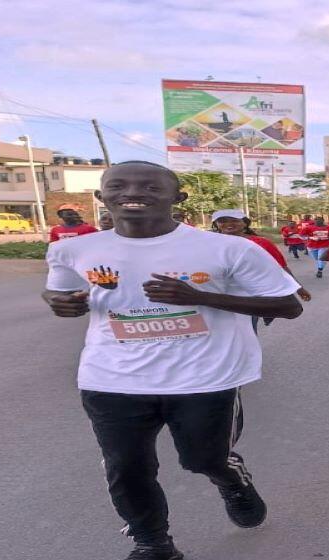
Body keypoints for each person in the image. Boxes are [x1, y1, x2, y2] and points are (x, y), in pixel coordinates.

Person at [42, 161, 303, 560]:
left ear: (178, 198)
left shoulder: (228, 248)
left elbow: (288, 306)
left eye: (150, 186)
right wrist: (60, 304)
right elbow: (58, 293)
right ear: (101, 197)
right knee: (126, 467)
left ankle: (229, 478)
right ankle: (152, 543)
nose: (135, 192)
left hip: (206, 378)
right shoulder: (71, 249)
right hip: (112, 378)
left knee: (203, 458)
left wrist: (202, 296)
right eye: (120, 185)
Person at [212, 209, 313, 330]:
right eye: (222, 221)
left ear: (245, 223)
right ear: (216, 224)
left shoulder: (261, 243)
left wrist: (299, 288)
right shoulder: (208, 243)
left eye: (234, 220)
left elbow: (281, 267)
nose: (229, 224)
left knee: (247, 330)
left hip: (248, 297)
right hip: (216, 293)